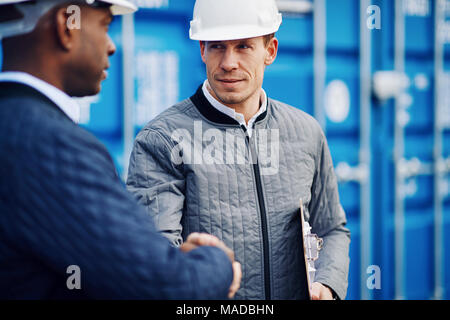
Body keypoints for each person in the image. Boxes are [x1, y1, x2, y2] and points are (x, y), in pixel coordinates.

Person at [0, 0, 241, 299]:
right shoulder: (50, 145)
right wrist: (217, 264)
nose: (112, 46)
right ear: (66, 26)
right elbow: (164, 286)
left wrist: (172, 261)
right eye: (105, 25)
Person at [127, 0, 351, 300]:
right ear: (202, 50)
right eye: (218, 46)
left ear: (269, 51)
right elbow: (152, 258)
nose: (229, 62)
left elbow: (332, 228)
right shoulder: (163, 140)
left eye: (244, 46)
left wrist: (327, 283)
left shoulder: (306, 132)